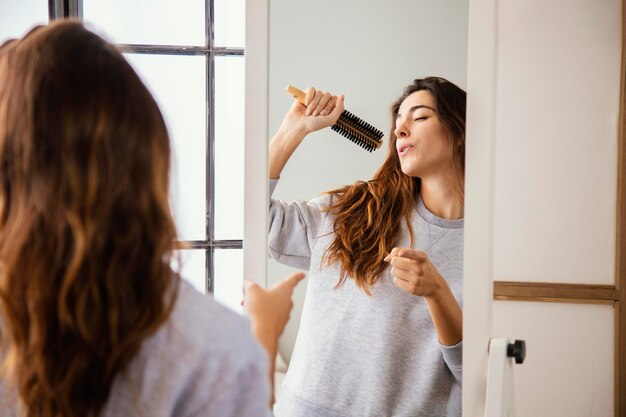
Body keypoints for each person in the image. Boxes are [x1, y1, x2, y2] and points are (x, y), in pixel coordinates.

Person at [0, 19, 302, 417]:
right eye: (402, 115)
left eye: (417, 116)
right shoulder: (212, 349)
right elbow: (261, 214)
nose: (402, 128)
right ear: (149, 163)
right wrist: (262, 331)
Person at [268, 77, 465, 416]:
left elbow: (474, 373)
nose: (400, 130)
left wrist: (437, 293)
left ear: (459, 130)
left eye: (419, 117)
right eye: (398, 122)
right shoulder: (355, 211)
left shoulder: (494, 247)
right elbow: (258, 222)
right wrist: (292, 130)